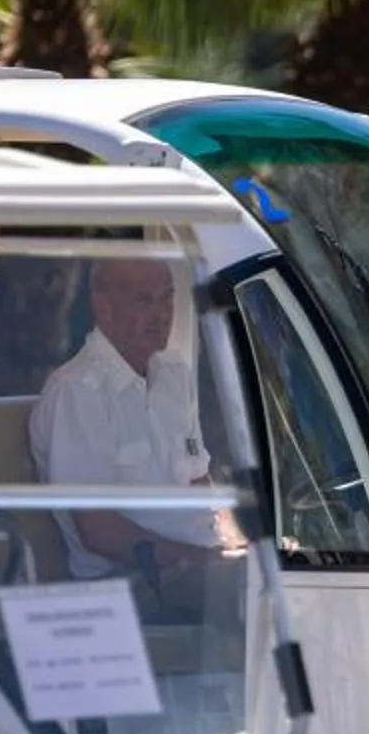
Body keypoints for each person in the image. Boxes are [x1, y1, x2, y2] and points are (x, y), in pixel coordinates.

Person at [27, 256, 243, 621]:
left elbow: (197, 482)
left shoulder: (174, 373)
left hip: (196, 569)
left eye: (167, 298)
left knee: (285, 572)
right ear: (104, 307)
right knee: (256, 596)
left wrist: (241, 543)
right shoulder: (77, 390)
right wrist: (197, 559)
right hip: (128, 586)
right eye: (144, 300)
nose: (161, 314)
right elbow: (97, 531)